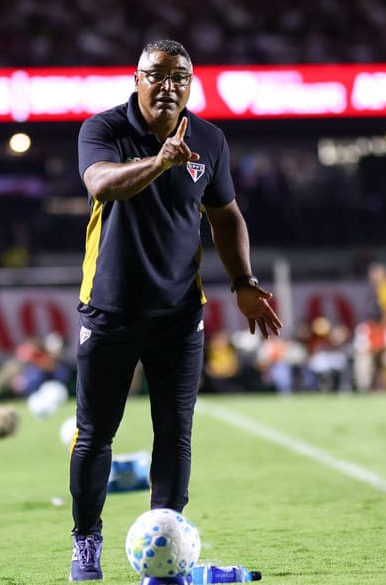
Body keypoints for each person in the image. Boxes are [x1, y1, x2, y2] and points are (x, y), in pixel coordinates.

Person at [68, 39, 282, 581]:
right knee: (95, 435)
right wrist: (161, 160)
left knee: (174, 433)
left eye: (180, 77)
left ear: (191, 83)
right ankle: (86, 542)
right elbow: (102, 185)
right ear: (136, 79)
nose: (169, 86)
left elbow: (226, 216)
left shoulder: (209, 139)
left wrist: (244, 281)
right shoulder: (103, 129)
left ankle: (166, 552)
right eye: (157, 75)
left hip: (179, 314)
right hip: (110, 310)